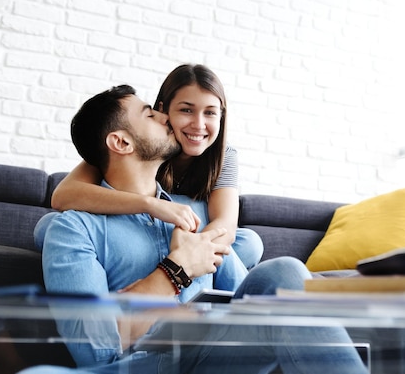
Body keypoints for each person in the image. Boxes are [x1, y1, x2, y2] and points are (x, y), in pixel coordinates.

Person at [19, 85, 367, 374]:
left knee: (285, 270)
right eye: (148, 114)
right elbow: (96, 352)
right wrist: (176, 271)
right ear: (122, 143)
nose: (163, 116)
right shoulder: (75, 229)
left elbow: (239, 297)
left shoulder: (195, 216)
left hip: (211, 355)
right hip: (142, 365)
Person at [40, 64, 263, 269]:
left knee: (249, 242)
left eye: (210, 112)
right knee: (50, 225)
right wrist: (152, 205)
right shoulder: (145, 145)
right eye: (186, 110)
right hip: (133, 230)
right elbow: (62, 196)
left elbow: (225, 224)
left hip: (191, 235)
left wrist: (191, 248)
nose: (199, 124)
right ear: (163, 110)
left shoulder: (223, 156)